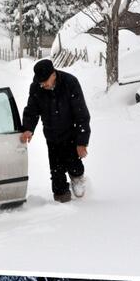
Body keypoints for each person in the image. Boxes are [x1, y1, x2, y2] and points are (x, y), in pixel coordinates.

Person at [19, 58, 91, 203]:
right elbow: (32, 110)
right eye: (40, 82)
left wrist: (82, 142)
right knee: (57, 179)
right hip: (52, 135)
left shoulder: (70, 83)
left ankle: (77, 178)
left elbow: (81, 114)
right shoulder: (36, 87)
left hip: (71, 132)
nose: (43, 84)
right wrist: (28, 128)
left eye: (45, 81)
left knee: (74, 165)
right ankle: (62, 201)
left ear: (53, 74)